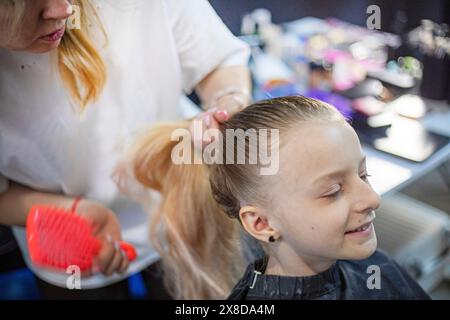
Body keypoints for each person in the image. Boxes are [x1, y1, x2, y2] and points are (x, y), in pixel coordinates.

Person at [0, 0, 251, 299]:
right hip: (70, 243)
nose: (63, 10)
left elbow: (217, 61)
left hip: (177, 215)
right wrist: (66, 213)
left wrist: (229, 101)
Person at [131, 95, 430, 300]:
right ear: (261, 223)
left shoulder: (373, 266)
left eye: (364, 176)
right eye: (333, 192)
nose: (372, 198)